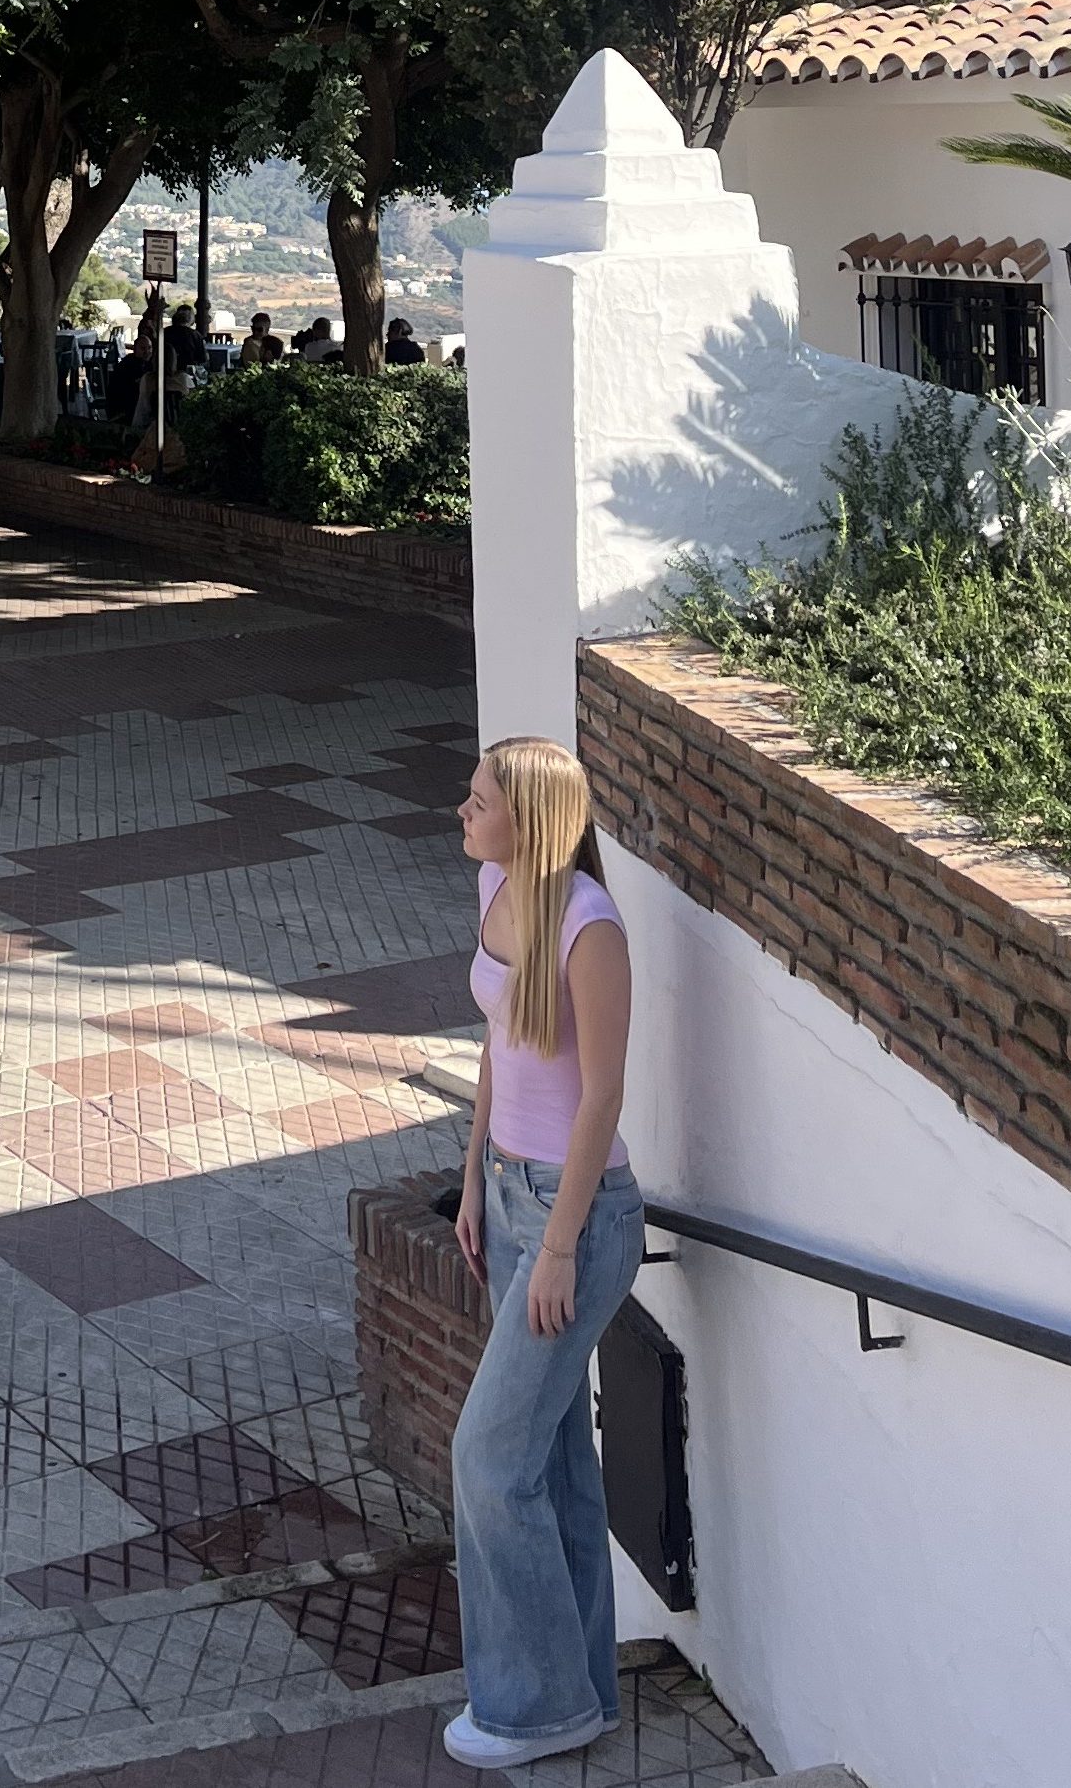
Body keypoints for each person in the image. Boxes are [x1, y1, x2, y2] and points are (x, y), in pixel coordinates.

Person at [445, 736, 642, 1770]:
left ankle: (535, 1708)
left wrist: (560, 1245)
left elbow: (602, 1095)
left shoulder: (589, 928)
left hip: (582, 1219)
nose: (463, 812)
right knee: (553, 1459)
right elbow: (495, 1044)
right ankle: (586, 1694)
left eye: (479, 801)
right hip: (513, 1199)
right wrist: (473, 1178)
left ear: (529, 819)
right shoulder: (496, 882)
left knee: (487, 1458)